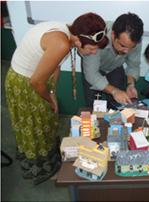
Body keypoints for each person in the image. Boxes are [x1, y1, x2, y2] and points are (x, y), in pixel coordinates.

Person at [5, 12, 108, 185]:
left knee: (47, 120)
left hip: (33, 78)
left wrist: (52, 92)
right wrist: (50, 98)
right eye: (91, 48)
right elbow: (36, 81)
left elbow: (55, 66)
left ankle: (49, 159)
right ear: (78, 40)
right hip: (25, 83)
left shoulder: (67, 31)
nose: (92, 53)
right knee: (36, 125)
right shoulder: (61, 43)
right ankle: (40, 169)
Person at [80, 12, 144, 109]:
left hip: (115, 67)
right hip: (93, 69)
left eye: (131, 48)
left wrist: (130, 84)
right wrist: (114, 91)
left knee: (119, 105)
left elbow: (133, 65)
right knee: (93, 106)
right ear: (113, 35)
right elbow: (91, 74)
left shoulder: (135, 40)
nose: (127, 51)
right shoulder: (97, 37)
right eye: (122, 46)